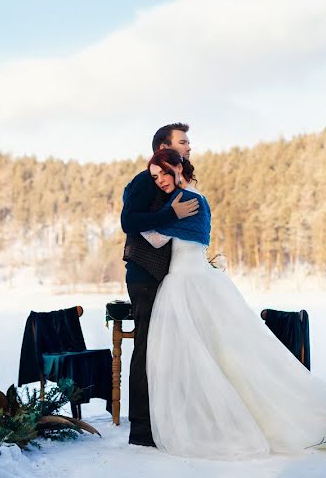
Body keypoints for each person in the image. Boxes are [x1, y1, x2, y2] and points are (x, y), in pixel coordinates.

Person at [142, 148, 326, 460]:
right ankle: (214, 417)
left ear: (177, 167)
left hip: (189, 282)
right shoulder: (181, 199)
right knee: (209, 357)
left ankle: (224, 422)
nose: (160, 181)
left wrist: (142, 213)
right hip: (190, 279)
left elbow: (155, 237)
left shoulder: (188, 199)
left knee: (211, 356)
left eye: (164, 173)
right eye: (154, 178)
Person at [120, 122, 198, 447]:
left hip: (164, 279)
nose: (189, 146)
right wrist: (171, 216)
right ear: (163, 147)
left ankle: (166, 418)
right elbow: (128, 221)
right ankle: (141, 430)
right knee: (145, 349)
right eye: (183, 142)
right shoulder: (144, 179)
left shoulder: (173, 181)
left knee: (163, 350)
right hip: (143, 278)